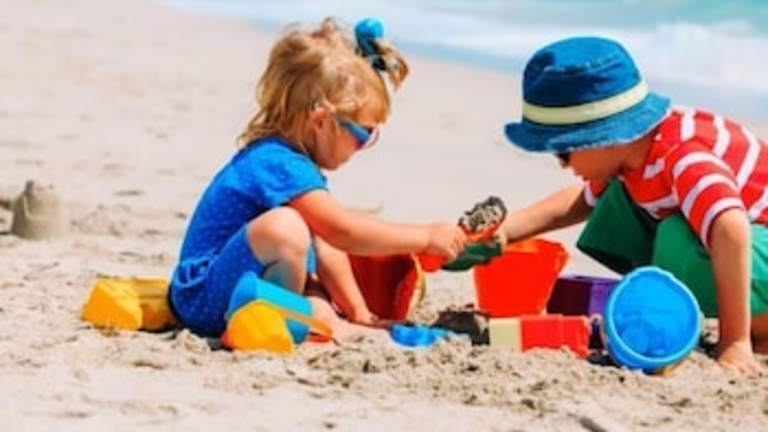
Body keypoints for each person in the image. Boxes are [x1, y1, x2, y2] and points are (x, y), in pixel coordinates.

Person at [168, 18, 466, 339]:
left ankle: (334, 325)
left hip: (237, 284)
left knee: (318, 288)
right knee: (286, 227)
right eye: (363, 135)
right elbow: (343, 231)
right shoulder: (277, 163)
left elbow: (328, 244)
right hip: (203, 300)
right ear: (321, 122)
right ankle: (287, 323)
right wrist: (426, 236)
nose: (364, 147)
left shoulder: (296, 165)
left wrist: (359, 312)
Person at [500, 36, 768, 373]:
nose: (563, 165)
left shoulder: (681, 155)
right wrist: (502, 232)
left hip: (751, 243)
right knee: (616, 202)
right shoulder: (632, 156)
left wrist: (734, 341)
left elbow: (731, 228)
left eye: (564, 152)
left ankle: (758, 332)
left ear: (603, 136)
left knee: (674, 235)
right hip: (750, 257)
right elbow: (579, 202)